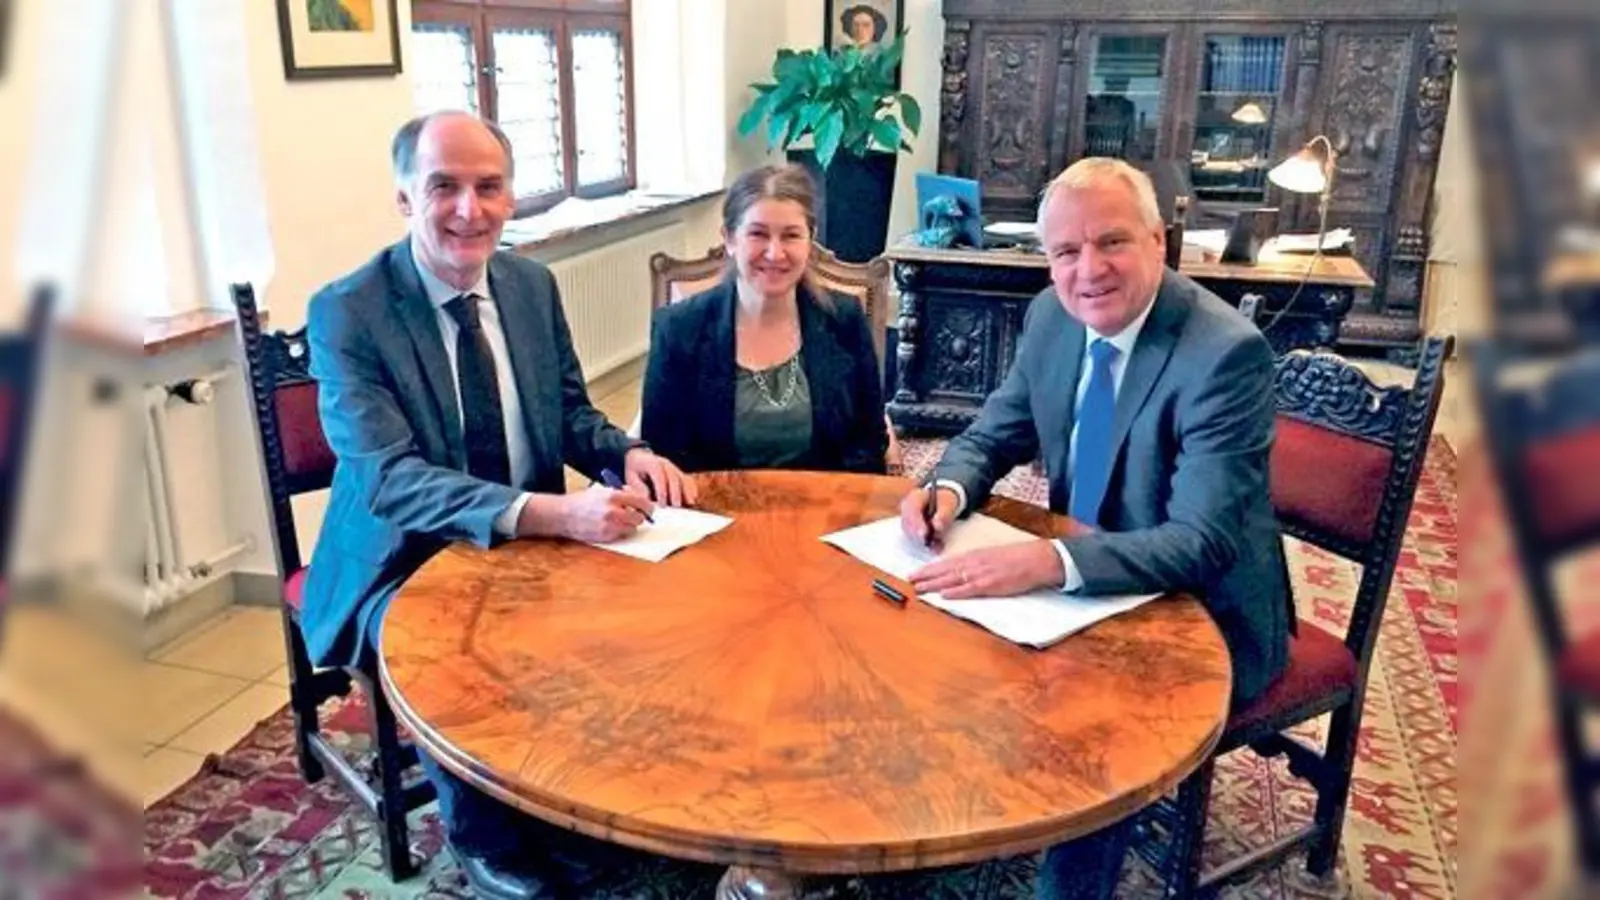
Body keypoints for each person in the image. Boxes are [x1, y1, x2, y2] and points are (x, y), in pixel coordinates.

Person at [304, 110, 698, 898]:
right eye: (443, 187)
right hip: (401, 559)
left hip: (533, 538)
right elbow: (389, 478)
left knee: (661, 610)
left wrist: (628, 453)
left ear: (512, 198)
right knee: (455, 654)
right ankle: (485, 839)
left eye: (489, 187)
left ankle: (569, 795)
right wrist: (554, 515)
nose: (467, 209)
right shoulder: (350, 310)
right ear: (404, 200)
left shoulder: (529, 284)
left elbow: (568, 411)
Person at [897, 157, 1291, 899]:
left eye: (1112, 242)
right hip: (1090, 583)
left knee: (1097, 732)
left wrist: (1047, 561)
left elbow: (1201, 541)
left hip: (1202, 612)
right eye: (1066, 252)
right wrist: (944, 490)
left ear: (1159, 243)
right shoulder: (1052, 316)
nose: (1088, 271)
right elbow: (992, 434)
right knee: (934, 647)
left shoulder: (1224, 354)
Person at [640, 164, 888, 475]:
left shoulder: (844, 319)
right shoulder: (678, 329)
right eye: (758, 234)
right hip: (712, 512)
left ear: (810, 240)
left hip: (827, 509)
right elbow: (663, 456)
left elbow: (869, 441)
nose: (774, 253)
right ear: (729, 239)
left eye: (791, 235)